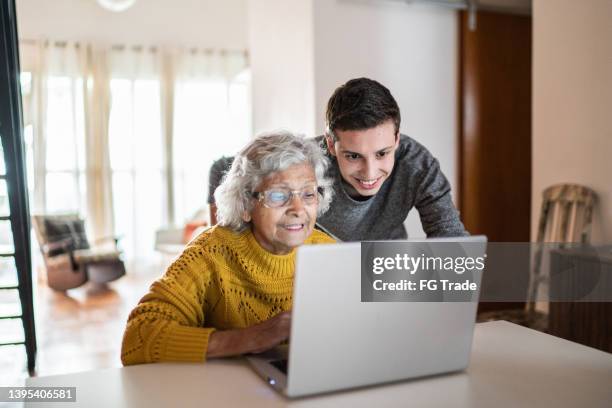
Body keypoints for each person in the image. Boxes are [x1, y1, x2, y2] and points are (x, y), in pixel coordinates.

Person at [121, 132, 335, 365]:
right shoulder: (209, 253)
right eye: (278, 195)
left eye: (308, 194)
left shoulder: (330, 252)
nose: (298, 208)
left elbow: (375, 321)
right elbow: (138, 339)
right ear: (245, 205)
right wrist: (250, 339)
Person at [208, 77, 467, 241]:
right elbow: (222, 167)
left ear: (397, 139)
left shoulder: (418, 165)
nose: (370, 172)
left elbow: (450, 237)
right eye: (353, 156)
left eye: (382, 154)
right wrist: (219, 235)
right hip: (318, 269)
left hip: (382, 269)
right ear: (331, 144)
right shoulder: (305, 161)